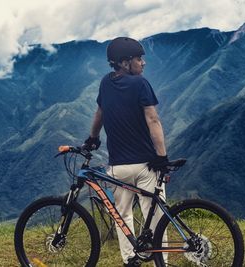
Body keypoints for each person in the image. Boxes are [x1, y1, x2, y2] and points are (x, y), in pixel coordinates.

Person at [82, 37, 168, 267]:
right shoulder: (141, 84)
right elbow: (153, 119)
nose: (143, 63)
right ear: (123, 62)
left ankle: (130, 259)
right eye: (139, 59)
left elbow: (99, 114)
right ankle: (162, 261)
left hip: (118, 166)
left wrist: (92, 138)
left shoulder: (105, 83)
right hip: (146, 165)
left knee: (122, 215)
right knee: (157, 216)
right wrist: (162, 157)